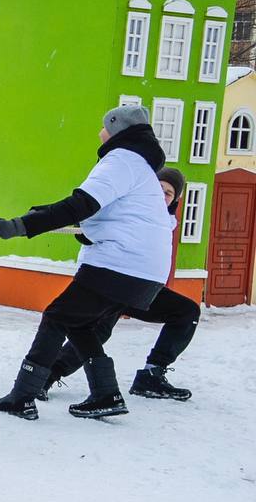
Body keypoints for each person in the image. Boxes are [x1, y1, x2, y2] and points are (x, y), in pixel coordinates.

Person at [0, 104, 172, 421]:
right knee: (79, 322)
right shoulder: (140, 166)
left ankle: (22, 396)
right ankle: (105, 394)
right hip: (145, 270)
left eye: (104, 127)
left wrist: (21, 226)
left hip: (120, 263)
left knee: (57, 316)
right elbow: (109, 214)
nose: (100, 134)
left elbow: (81, 204)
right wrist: (44, 214)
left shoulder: (121, 159)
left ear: (116, 130)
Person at [40, 167, 198, 403]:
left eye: (168, 193)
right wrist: (84, 230)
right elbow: (93, 221)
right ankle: (47, 377)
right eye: (157, 189)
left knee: (186, 311)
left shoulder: (166, 223)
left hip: (141, 289)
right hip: (107, 283)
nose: (161, 195)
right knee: (96, 331)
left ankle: (151, 375)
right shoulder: (128, 207)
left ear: (174, 201)